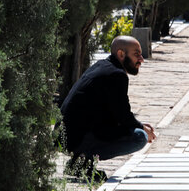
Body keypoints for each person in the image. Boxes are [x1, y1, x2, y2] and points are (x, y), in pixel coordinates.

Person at [60, 35, 157, 180]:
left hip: (67, 135)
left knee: (135, 129)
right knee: (139, 137)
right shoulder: (116, 75)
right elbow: (123, 116)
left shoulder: (103, 66)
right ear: (121, 54)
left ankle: (79, 163)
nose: (141, 59)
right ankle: (83, 161)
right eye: (136, 54)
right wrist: (143, 129)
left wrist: (139, 124)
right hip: (76, 137)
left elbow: (117, 113)